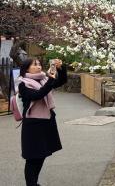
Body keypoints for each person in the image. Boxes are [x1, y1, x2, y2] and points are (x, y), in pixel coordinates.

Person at [18, 58, 67, 186]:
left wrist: (61, 68)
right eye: (35, 64)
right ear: (26, 68)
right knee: (32, 158)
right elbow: (37, 95)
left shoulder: (44, 79)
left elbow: (61, 81)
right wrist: (50, 80)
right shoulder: (23, 83)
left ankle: (34, 182)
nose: (38, 66)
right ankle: (31, 184)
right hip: (33, 125)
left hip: (46, 122)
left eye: (39, 64)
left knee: (41, 155)